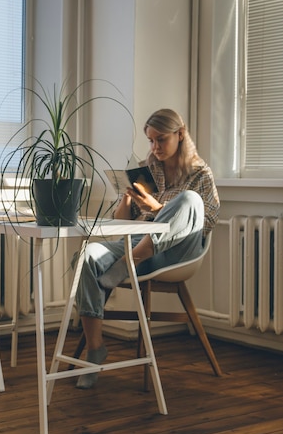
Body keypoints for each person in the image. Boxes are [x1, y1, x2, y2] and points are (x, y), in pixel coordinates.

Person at [75, 108, 220, 389]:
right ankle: (95, 350)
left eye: (161, 139)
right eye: (151, 141)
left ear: (180, 135)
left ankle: (129, 262)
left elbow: (207, 220)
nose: (155, 147)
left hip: (180, 249)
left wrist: (157, 208)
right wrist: (130, 199)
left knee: (189, 200)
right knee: (88, 255)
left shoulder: (200, 173)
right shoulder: (147, 168)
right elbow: (120, 223)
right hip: (137, 243)